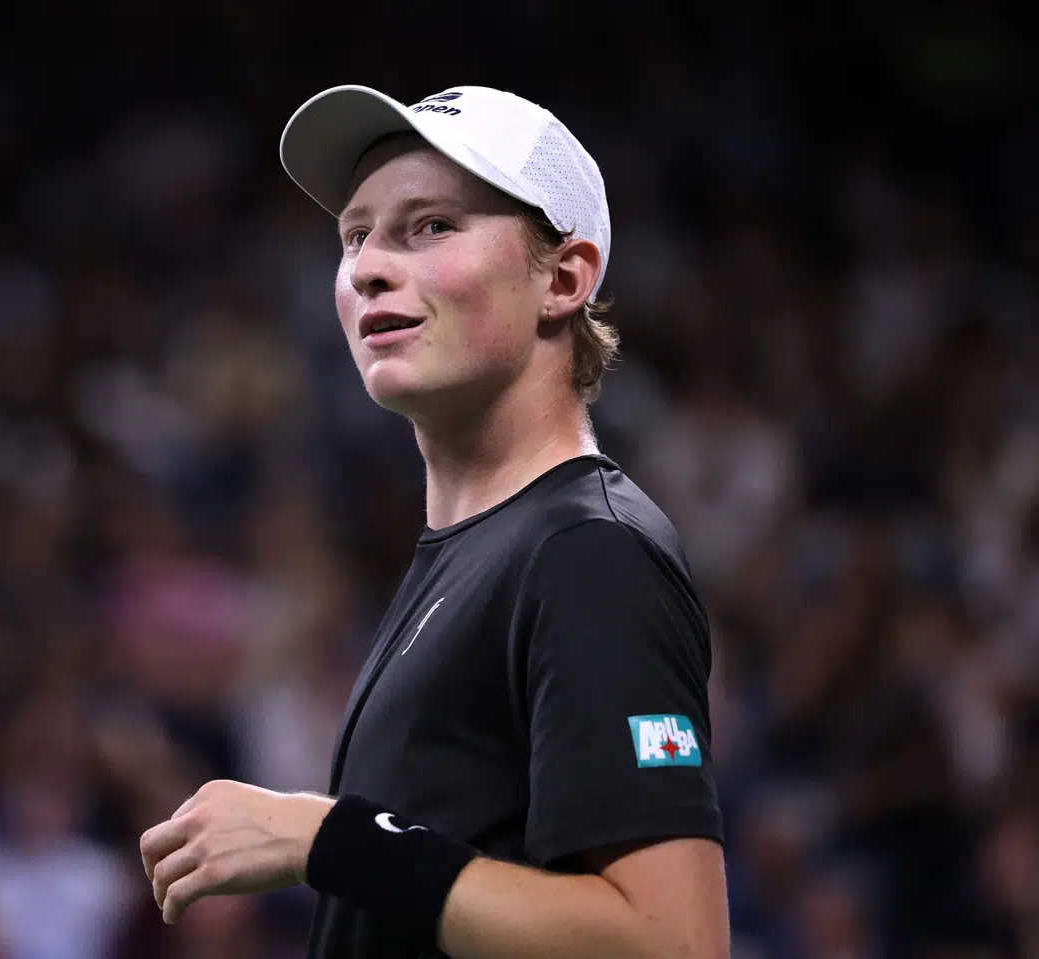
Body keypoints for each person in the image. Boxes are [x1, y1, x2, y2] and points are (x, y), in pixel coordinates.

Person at [140, 84, 729, 959]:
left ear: (564, 278)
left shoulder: (588, 552)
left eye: (431, 226)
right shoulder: (473, 555)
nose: (369, 265)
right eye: (355, 235)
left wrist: (326, 839)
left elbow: (673, 943)